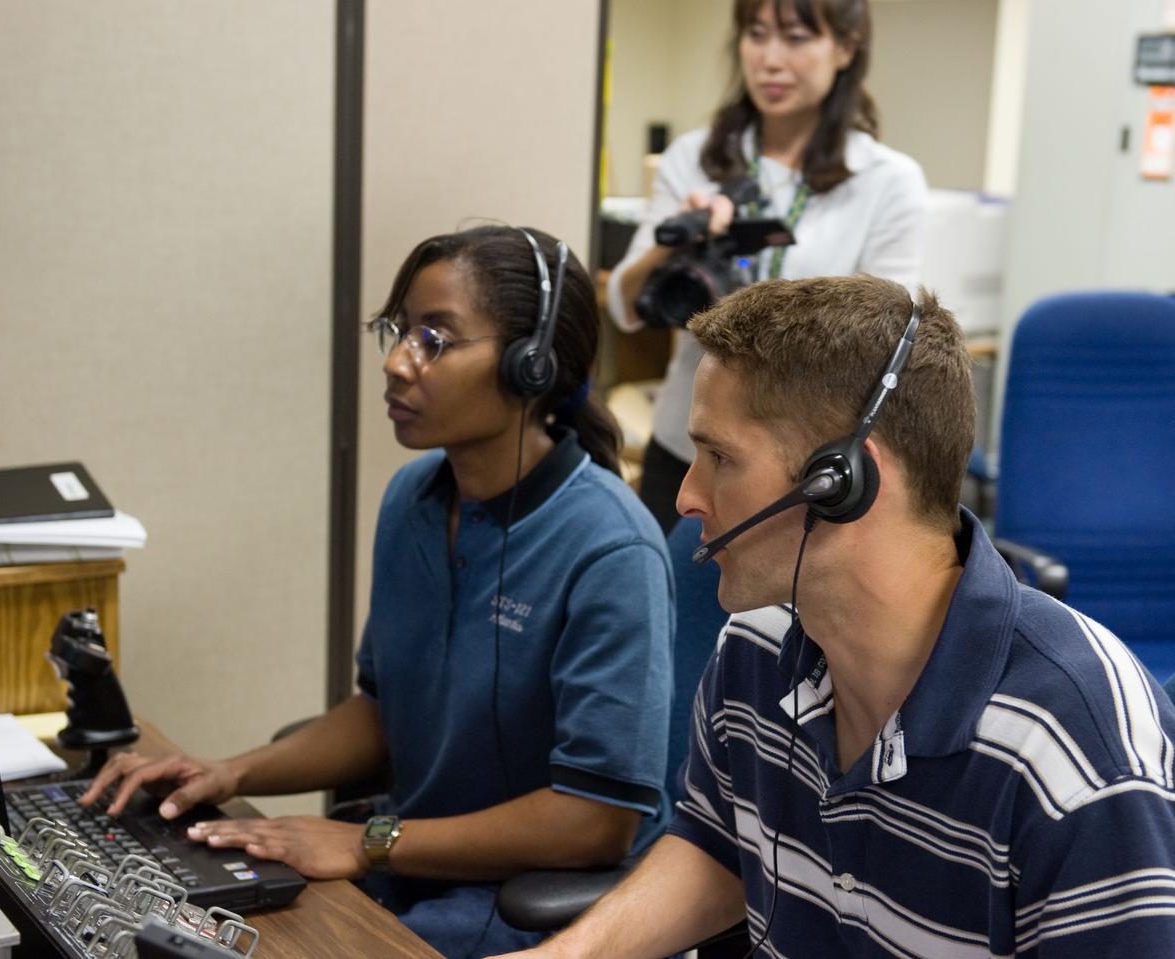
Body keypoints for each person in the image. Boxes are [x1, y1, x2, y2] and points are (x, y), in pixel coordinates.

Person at [491, 274, 1175, 958]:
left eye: (721, 457)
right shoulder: (754, 647)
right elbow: (715, 845)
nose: (687, 497)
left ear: (843, 482)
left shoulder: (1080, 754)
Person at [81, 225, 676, 959]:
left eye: (434, 338)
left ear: (532, 365)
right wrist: (229, 769)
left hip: (532, 912)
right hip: (411, 869)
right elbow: (382, 712)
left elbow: (596, 820)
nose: (397, 363)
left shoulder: (609, 545)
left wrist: (368, 841)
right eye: (399, 331)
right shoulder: (415, 499)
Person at [607, 0, 927, 533]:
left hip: (802, 460)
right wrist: (678, 238)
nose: (770, 60)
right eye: (756, 35)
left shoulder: (886, 182)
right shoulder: (696, 158)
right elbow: (623, 305)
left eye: (797, 38)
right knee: (673, 609)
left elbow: (888, 340)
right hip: (686, 448)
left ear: (845, 48)